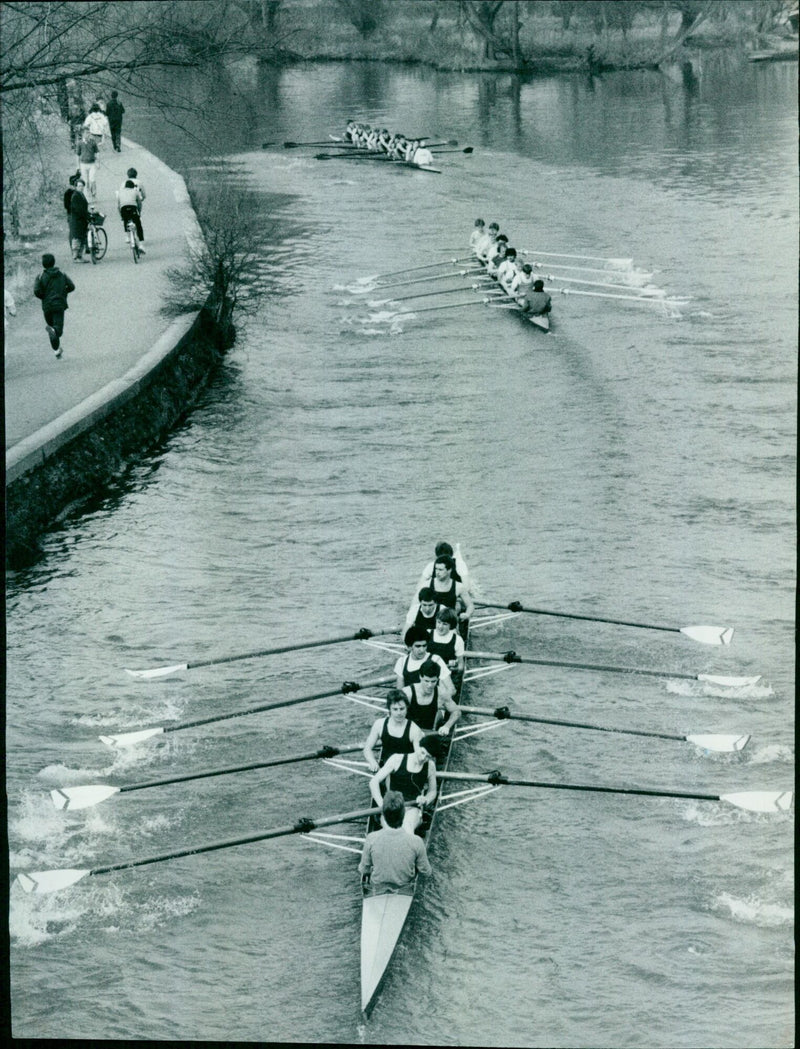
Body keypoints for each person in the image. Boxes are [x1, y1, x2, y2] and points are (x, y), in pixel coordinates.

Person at [358, 791, 431, 896]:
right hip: (404, 888)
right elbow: (426, 872)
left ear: (384, 815)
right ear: (403, 815)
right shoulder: (417, 841)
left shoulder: (371, 838)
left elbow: (363, 869)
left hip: (377, 887)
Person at [368, 735, 444, 835]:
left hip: (412, 808)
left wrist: (426, 799)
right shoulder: (396, 759)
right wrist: (382, 805)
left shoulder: (430, 766)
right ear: (417, 747)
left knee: (407, 829)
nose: (423, 758)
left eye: (428, 757)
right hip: (391, 807)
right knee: (390, 832)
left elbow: (433, 791)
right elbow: (373, 782)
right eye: (422, 753)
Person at [362, 690, 424, 773]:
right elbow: (367, 748)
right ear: (389, 709)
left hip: (407, 771)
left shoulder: (414, 730)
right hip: (386, 769)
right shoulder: (379, 724)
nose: (399, 713)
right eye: (395, 709)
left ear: (407, 708)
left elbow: (419, 758)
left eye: (402, 709)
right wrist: (372, 762)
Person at [403, 658, 461, 736]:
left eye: (433, 681)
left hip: (427, 735)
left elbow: (456, 712)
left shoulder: (441, 693)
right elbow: (392, 717)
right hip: (406, 734)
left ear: (438, 679)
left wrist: (447, 726)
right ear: (420, 677)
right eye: (426, 681)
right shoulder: (407, 693)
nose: (430, 685)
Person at [33, 254, 75, 359]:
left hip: (47, 307)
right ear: (54, 262)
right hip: (59, 305)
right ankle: (56, 347)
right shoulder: (62, 274)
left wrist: (44, 297)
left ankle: (56, 350)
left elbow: (37, 291)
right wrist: (63, 292)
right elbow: (72, 286)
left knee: (52, 328)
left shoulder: (40, 277)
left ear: (43, 264)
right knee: (57, 330)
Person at [394, 625, 454, 697]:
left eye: (424, 645)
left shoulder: (436, 659)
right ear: (409, 647)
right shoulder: (401, 662)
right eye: (418, 646)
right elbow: (400, 693)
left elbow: (451, 690)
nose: (422, 650)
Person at [427, 555, 474, 624]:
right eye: (436, 569)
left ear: (449, 570)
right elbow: (414, 606)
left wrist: (467, 614)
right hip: (431, 621)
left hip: (449, 622)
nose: (437, 572)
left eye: (440, 570)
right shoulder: (427, 584)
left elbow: (470, 605)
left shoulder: (459, 587)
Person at [426, 607, 466, 678]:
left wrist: (455, 669)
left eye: (445, 624)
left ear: (451, 625)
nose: (440, 627)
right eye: (438, 622)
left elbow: (460, 666)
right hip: (426, 675)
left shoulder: (457, 640)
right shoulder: (427, 633)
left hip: (446, 675)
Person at [116, 179, 145, 253]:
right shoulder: (135, 191)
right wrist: (139, 212)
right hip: (133, 209)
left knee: (126, 220)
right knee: (138, 225)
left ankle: (128, 237)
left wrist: (121, 217)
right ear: (132, 187)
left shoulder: (120, 193)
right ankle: (141, 244)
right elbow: (139, 203)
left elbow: (118, 206)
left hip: (123, 209)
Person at [69, 178, 90, 262]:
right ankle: (76, 257)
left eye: (82, 186)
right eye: (79, 186)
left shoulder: (80, 194)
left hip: (81, 220)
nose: (81, 187)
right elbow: (78, 209)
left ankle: (80, 256)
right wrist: (86, 215)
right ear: (76, 187)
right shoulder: (75, 196)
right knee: (77, 238)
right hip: (77, 220)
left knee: (81, 237)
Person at [77, 131, 99, 200]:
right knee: (85, 181)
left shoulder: (92, 142)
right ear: (82, 134)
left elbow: (97, 152)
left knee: (92, 179)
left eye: (88, 133)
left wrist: (98, 162)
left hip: (92, 164)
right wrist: (78, 166)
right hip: (83, 164)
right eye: (86, 133)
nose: (87, 135)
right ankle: (86, 195)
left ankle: (94, 193)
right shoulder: (80, 143)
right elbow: (78, 155)